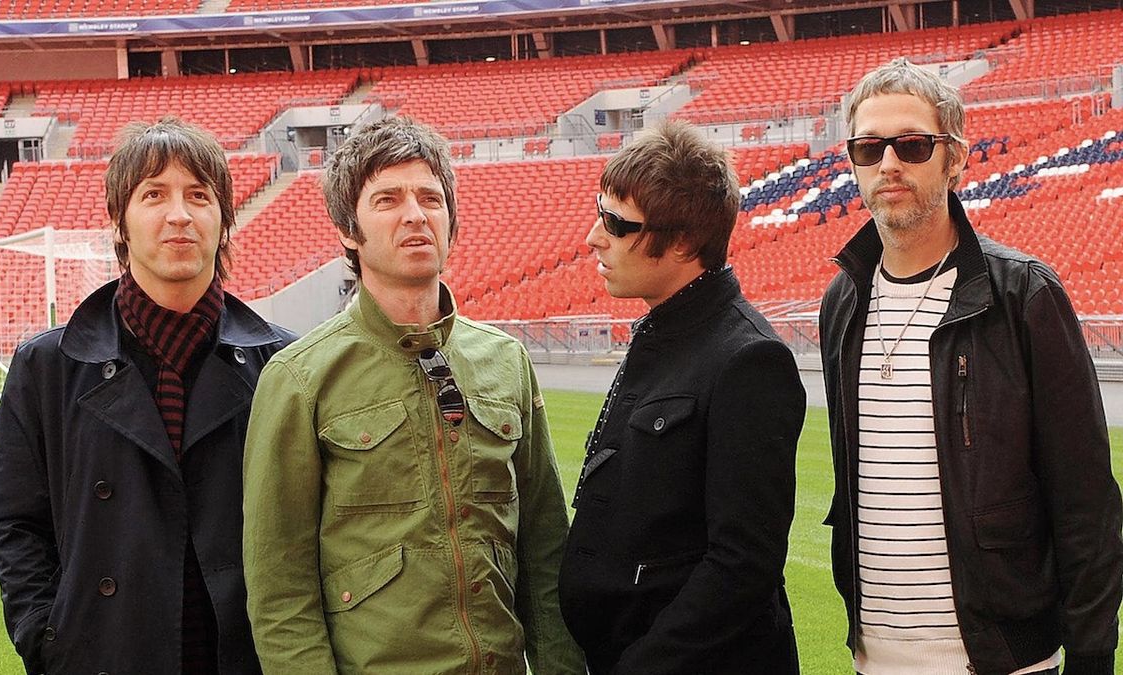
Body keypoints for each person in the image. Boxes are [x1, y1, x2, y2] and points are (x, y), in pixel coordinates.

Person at [242, 116, 584, 674]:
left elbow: (546, 551)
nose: (415, 214)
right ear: (348, 229)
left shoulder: (505, 362)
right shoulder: (300, 378)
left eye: (430, 196)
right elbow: (280, 590)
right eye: (387, 200)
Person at [819, 57, 1123, 675]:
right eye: (868, 147)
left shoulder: (1024, 295)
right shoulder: (842, 300)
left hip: (1002, 659)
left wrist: (1091, 655)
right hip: (873, 658)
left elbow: (1085, 497)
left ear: (955, 157)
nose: (889, 164)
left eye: (911, 144)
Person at [0, 117, 294, 674]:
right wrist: (50, 638)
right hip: (104, 656)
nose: (179, 215)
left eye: (199, 195)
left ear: (223, 222)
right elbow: (10, 525)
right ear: (120, 224)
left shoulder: (283, 366)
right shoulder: (47, 367)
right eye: (153, 195)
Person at [558, 120, 806, 674]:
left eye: (615, 224)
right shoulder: (668, 329)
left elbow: (742, 566)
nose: (594, 238)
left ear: (685, 242)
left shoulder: (748, 359)